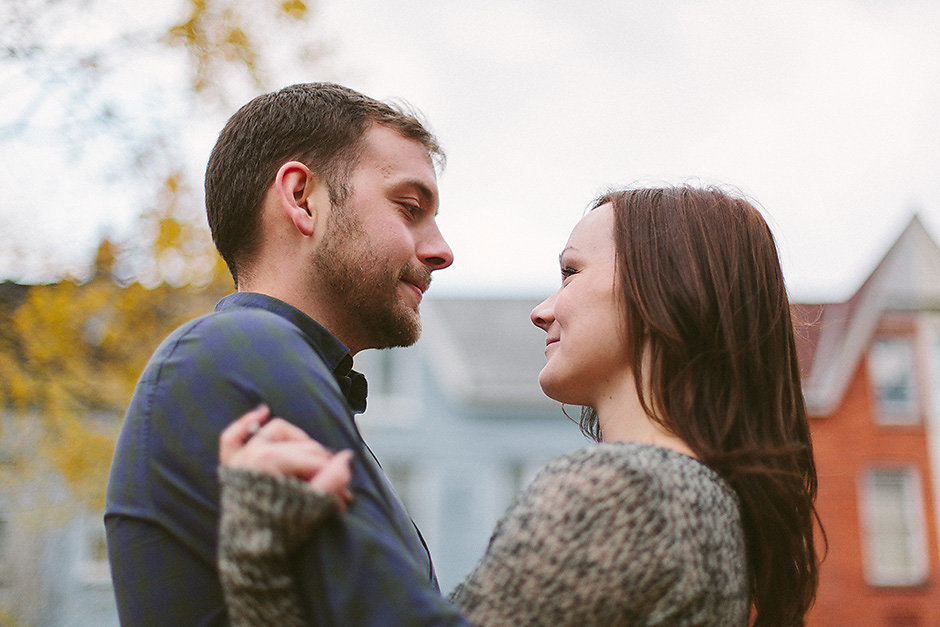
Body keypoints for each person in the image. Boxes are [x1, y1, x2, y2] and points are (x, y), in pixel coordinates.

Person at [215, 185, 823, 626]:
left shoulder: (627, 493)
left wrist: (257, 549)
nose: (543, 310)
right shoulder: (711, 501)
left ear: (666, 287)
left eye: (570, 273)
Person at [104, 82, 468, 625]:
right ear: (302, 199)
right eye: (409, 207)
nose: (442, 251)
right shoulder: (242, 348)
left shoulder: (253, 362)